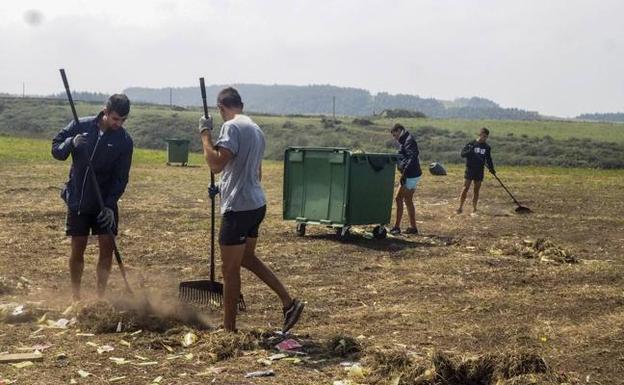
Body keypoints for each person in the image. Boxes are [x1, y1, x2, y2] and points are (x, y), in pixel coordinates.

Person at [198, 87, 304, 332]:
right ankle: (289, 302)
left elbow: (215, 164)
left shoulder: (231, 127)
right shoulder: (256, 129)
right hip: (256, 204)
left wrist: (205, 134)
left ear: (221, 108)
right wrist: (223, 187)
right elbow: (253, 171)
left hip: (239, 207)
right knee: (246, 258)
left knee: (229, 268)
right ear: (241, 104)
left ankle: (228, 329)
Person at [51, 94, 133, 301]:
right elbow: (56, 150)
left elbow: (121, 178)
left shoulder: (124, 141)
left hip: (105, 202)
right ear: (105, 111)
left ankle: (100, 298)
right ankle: (76, 297)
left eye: (123, 120)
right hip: (79, 199)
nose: (119, 124)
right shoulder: (81, 125)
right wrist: (71, 142)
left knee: (107, 246)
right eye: (115, 119)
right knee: (78, 247)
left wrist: (108, 205)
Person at [389, 123, 422, 235]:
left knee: (398, 199)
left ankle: (396, 227)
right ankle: (413, 227)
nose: (395, 137)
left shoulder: (408, 140)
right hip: (414, 173)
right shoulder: (405, 140)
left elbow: (412, 158)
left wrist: (404, 174)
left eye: (395, 134)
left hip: (410, 174)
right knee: (408, 200)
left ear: (400, 130)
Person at [457, 127, 495, 214]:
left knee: (476, 190)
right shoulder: (471, 144)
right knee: (465, 188)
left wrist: (491, 168)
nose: (484, 138)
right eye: (483, 136)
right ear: (480, 134)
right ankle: (460, 207)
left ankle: (474, 208)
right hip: (470, 169)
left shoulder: (487, 147)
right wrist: (469, 152)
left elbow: (489, 159)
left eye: (486, 137)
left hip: (479, 171)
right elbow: (462, 154)